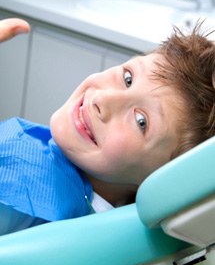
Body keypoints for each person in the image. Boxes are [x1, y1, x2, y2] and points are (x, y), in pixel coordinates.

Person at [0, 18, 215, 235]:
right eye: (128, 78)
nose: (102, 99)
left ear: (158, 180)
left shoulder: (29, 210)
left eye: (141, 121)